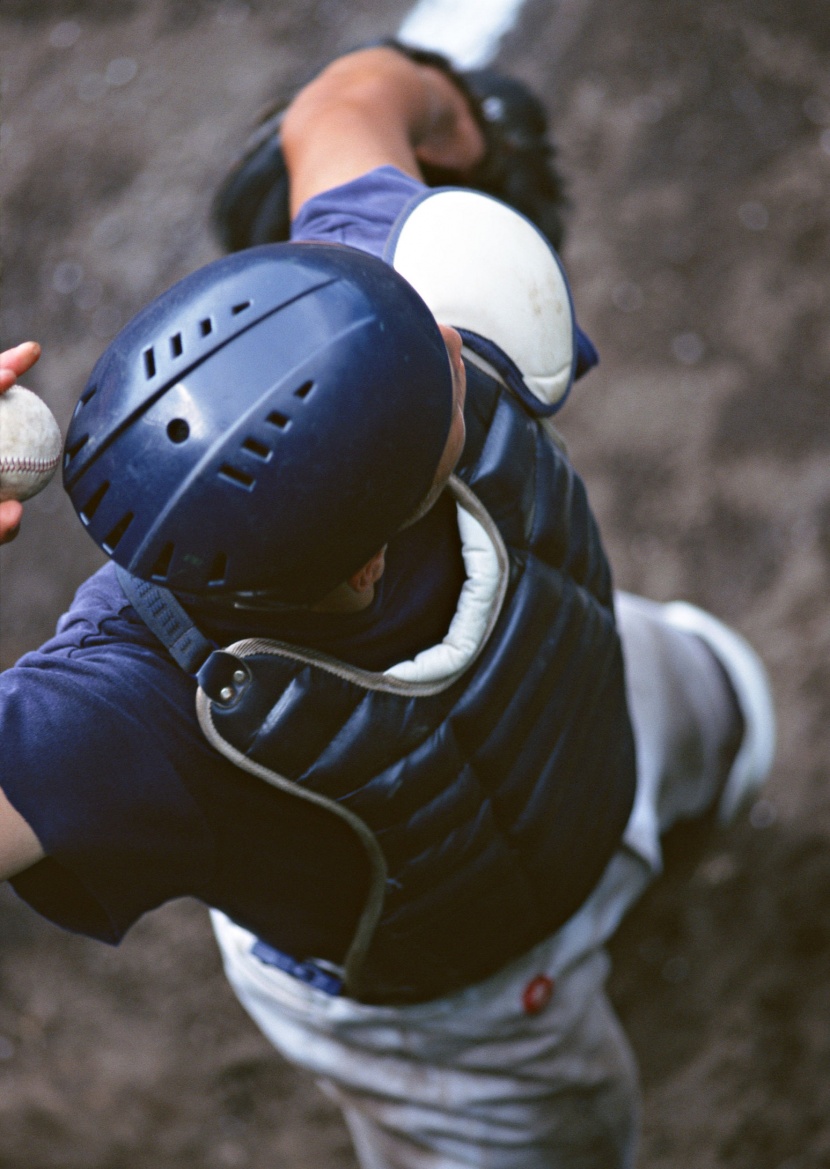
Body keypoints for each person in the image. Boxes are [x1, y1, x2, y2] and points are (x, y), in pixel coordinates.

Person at [0, 46, 775, 1169]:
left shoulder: (374, 298)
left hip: (601, 696)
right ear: (365, 563)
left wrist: (453, 126)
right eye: (440, 383)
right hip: (459, 1019)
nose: (455, 339)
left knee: (725, 710)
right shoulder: (136, 710)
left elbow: (351, 96)